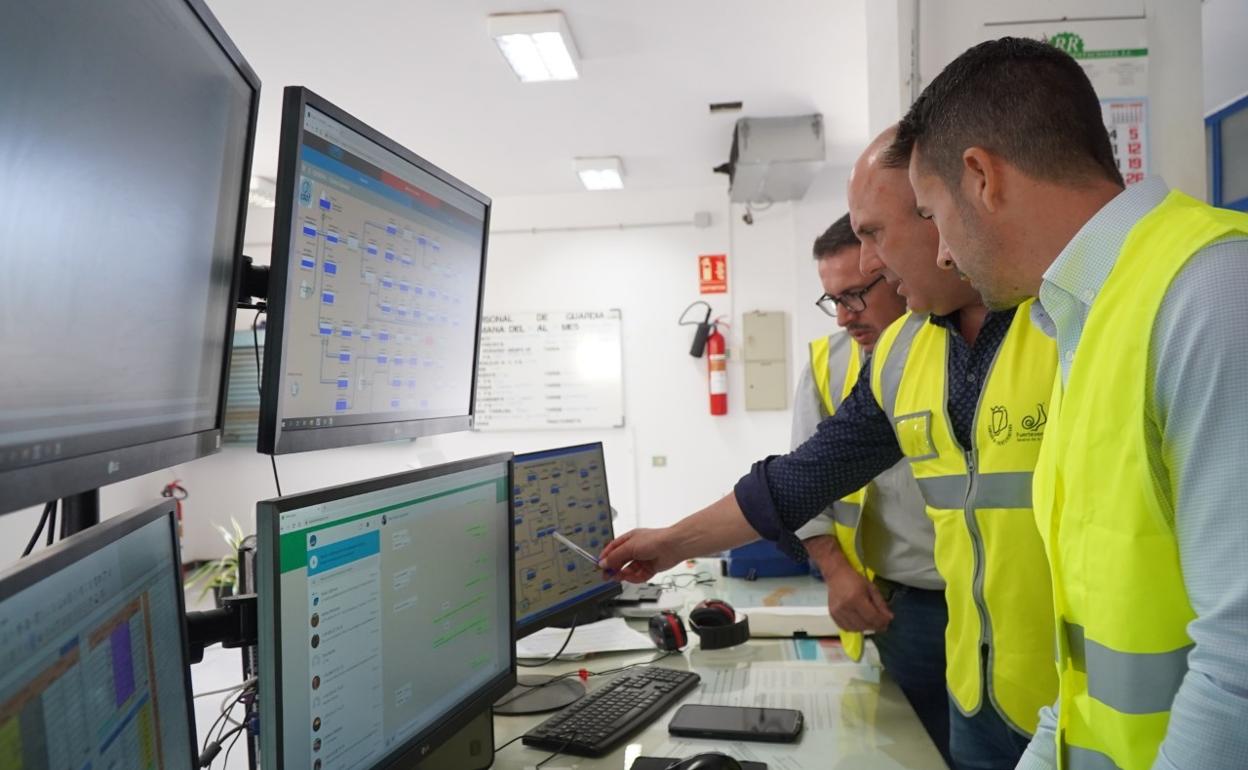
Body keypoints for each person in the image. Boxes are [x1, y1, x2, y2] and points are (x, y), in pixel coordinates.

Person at [601, 125, 1059, 770]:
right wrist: (672, 543)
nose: (870, 264)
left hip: (1073, 688)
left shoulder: (1069, 320)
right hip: (976, 679)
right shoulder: (907, 351)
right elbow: (802, 478)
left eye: (875, 235)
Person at [900, 36, 1248, 770]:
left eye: (932, 216)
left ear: (981, 177)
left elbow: (1239, 665)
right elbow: (1086, 659)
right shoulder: (1082, 320)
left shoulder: (1210, 291)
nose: (941, 254)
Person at [791, 213, 948, 763]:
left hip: (1001, 603)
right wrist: (837, 572)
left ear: (896, 272)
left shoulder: (960, 345)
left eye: (856, 294)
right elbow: (801, 489)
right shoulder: (827, 365)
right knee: (915, 753)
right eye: (832, 299)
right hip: (904, 607)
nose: (843, 316)